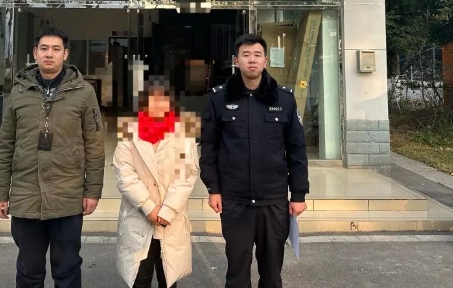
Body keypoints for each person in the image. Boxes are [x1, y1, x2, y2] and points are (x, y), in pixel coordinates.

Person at [0, 26, 105, 288]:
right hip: (26, 195)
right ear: (35, 53)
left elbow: (94, 145)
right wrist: (0, 193)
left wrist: (92, 191)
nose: (49, 54)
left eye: (55, 49)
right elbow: (5, 144)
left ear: (65, 54)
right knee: (28, 269)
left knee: (67, 268)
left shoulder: (84, 92)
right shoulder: (19, 92)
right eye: (44, 48)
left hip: (68, 194)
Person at [200, 33, 309, 288]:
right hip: (235, 200)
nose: (252, 60)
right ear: (236, 60)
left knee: (271, 274)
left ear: (265, 60)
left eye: (257, 55)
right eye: (246, 55)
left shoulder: (284, 99)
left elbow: (297, 150)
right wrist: (213, 188)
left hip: (273, 201)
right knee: (237, 272)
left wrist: (298, 194)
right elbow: (209, 147)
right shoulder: (219, 99)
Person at [113, 76, 200, 288]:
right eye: (151, 99)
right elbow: (124, 173)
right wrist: (148, 206)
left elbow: (187, 174)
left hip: (171, 217)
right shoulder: (129, 132)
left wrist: (167, 209)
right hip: (139, 214)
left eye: (162, 99)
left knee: (167, 277)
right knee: (140, 278)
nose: (157, 104)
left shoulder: (182, 133)